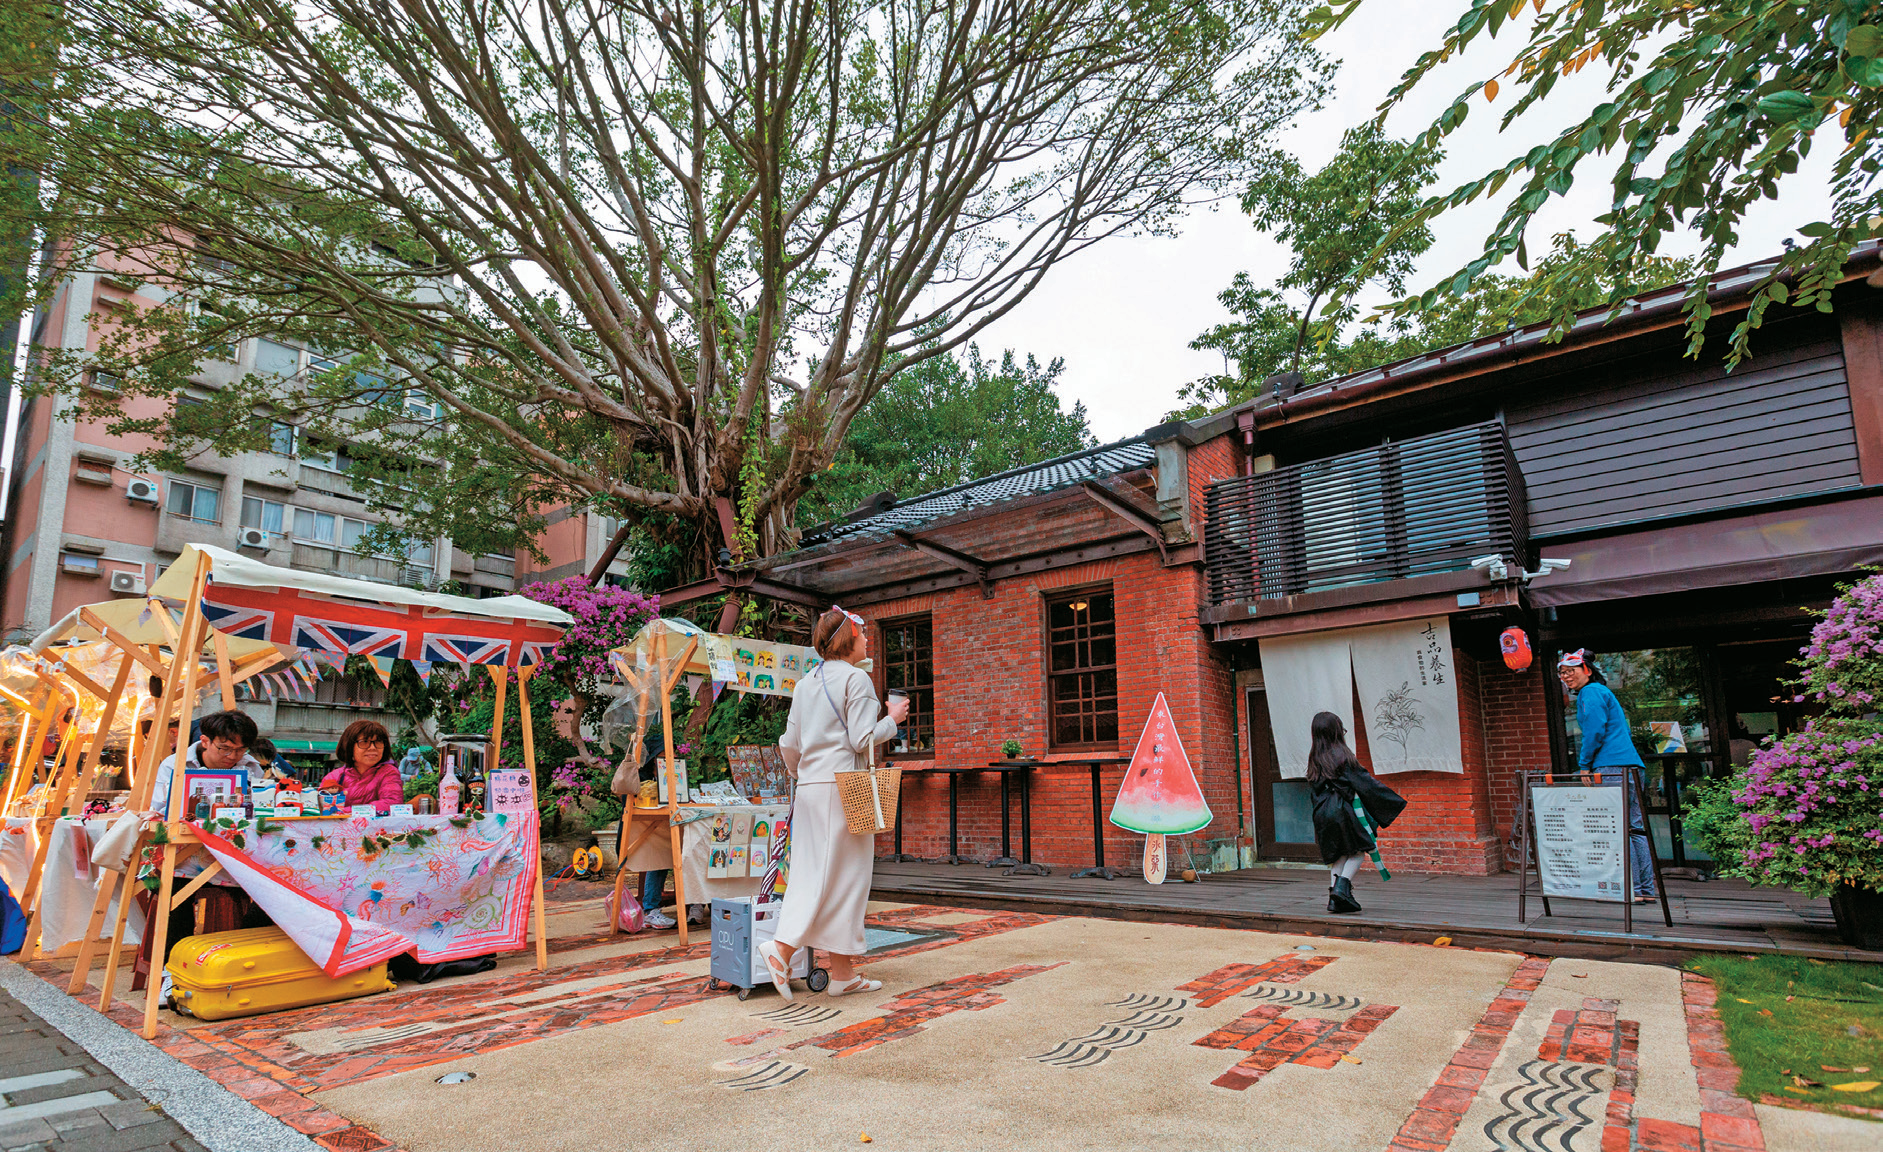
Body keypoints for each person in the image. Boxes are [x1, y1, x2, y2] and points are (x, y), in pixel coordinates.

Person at [758, 606, 909, 1000]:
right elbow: (862, 739)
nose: (866, 640)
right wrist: (892, 718)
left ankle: (842, 973)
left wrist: (800, 774)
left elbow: (788, 744)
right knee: (837, 877)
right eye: (862, 634)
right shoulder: (856, 681)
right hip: (844, 788)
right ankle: (781, 949)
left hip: (810, 787)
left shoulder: (805, 684)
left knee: (827, 874)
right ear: (849, 639)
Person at [1557, 649, 1658, 902]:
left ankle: (1631, 890)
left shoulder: (1590, 692)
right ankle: (1645, 890)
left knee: (1618, 829)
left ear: (1587, 670)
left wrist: (1584, 765)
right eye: (1563, 673)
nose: (1567, 676)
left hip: (1611, 767)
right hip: (1632, 765)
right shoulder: (1604, 693)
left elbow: (1593, 731)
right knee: (1635, 829)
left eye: (1572, 671)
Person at [1306, 711, 1406, 915]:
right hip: (1342, 810)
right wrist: (1392, 800)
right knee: (1359, 851)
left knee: (1339, 855)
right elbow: (1366, 783)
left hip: (1322, 812)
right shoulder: (1342, 756)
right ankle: (1342, 890)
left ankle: (1334, 900)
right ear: (1336, 731)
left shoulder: (1314, 758)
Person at [148, 710, 262, 817]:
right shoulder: (174, 765)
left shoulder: (251, 766)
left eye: (240, 750)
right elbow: (157, 809)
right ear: (205, 741)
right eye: (224, 748)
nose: (232, 756)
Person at [319, 721, 406, 815]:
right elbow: (321, 807)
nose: (373, 747)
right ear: (349, 746)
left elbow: (392, 804)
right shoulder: (334, 777)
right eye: (364, 742)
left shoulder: (389, 772)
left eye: (378, 742)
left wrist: (343, 811)